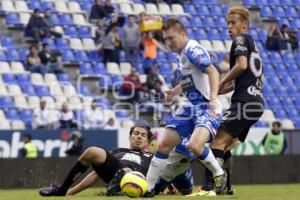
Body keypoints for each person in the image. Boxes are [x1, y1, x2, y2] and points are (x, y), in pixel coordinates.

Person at [145, 18, 226, 197]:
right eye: (165, 39)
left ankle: (219, 173)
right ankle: (148, 189)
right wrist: (174, 91)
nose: (167, 42)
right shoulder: (181, 53)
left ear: (183, 34)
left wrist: (212, 98)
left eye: (171, 38)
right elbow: (189, 79)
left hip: (206, 106)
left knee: (195, 146)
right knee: (164, 144)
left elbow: (212, 71)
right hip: (190, 107)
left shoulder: (193, 50)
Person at [200, 6, 264, 196]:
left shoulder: (240, 39)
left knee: (216, 142)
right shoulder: (252, 44)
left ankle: (209, 186)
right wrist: (216, 91)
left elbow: (241, 66)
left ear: (244, 25)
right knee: (227, 145)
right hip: (255, 103)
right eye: (228, 23)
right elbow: (240, 80)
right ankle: (227, 187)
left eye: (233, 22)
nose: (229, 26)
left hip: (244, 103)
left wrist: (221, 80)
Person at [39, 123, 194, 196]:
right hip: (116, 172)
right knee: (93, 151)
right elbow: (94, 175)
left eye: (143, 135)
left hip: (138, 180)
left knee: (127, 172)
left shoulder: (154, 158)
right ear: (130, 137)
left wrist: (172, 190)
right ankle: (62, 189)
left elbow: (169, 174)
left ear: (147, 142)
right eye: (136, 134)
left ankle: (114, 193)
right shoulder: (117, 152)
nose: (139, 137)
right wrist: (71, 193)